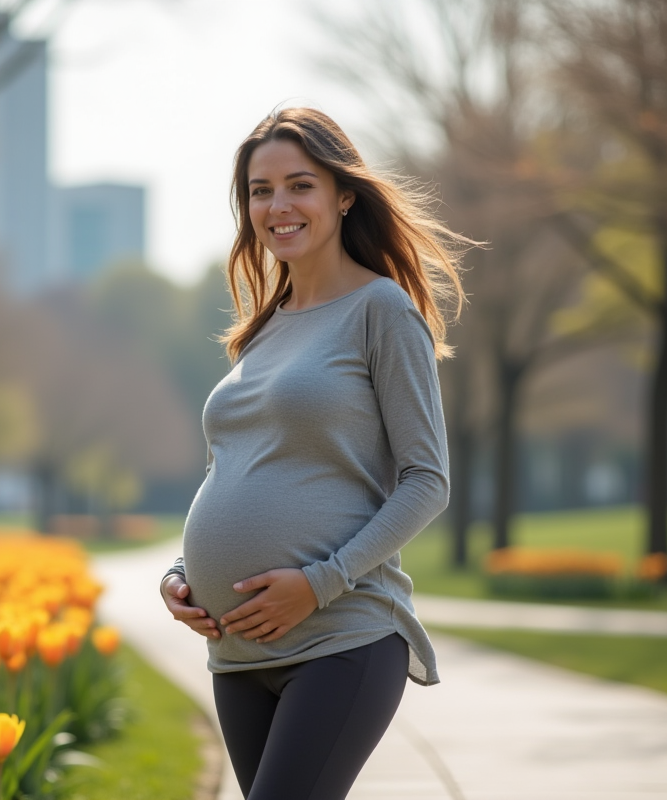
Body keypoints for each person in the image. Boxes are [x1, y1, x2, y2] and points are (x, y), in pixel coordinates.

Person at [158, 106, 468, 800]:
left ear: (343, 195)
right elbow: (234, 468)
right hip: (237, 651)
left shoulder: (381, 311)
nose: (278, 206)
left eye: (300, 185)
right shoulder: (261, 332)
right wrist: (182, 576)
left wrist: (321, 581)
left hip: (340, 638)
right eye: (260, 190)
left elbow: (427, 480)